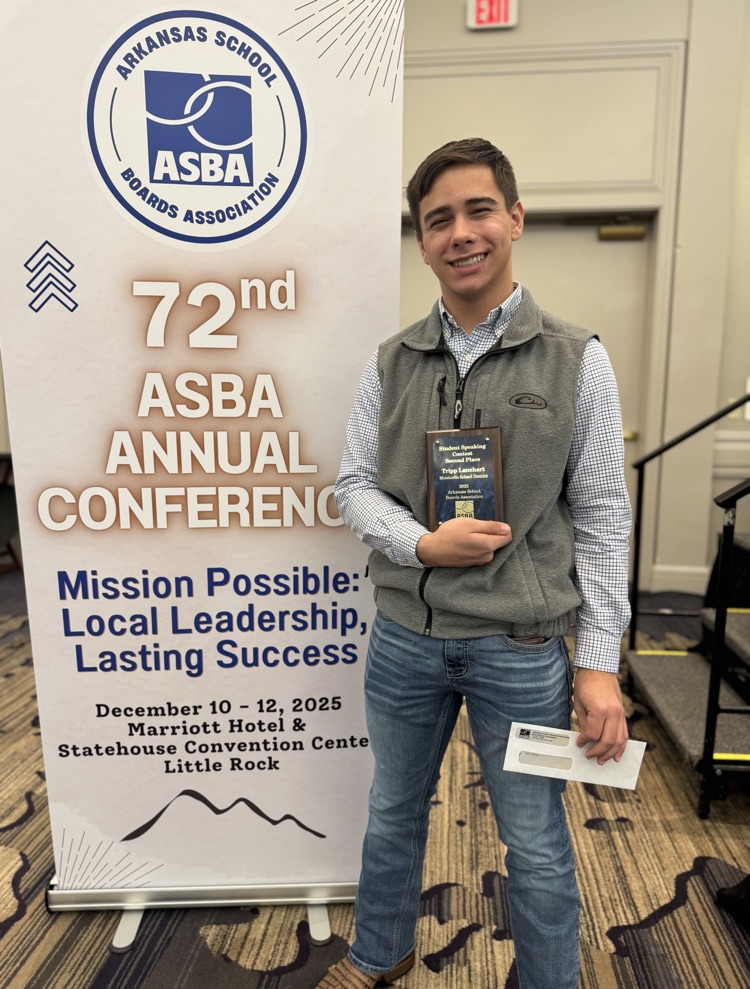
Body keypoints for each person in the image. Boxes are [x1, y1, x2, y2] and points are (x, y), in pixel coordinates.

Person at [318, 138, 631, 989]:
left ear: (515, 218)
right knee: (390, 814)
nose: (462, 232)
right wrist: (420, 543)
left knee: (533, 841)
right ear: (422, 242)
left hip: (522, 651)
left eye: (479, 209)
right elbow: (351, 486)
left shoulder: (577, 358)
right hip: (406, 642)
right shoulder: (390, 363)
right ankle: (379, 955)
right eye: (438, 219)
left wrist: (598, 665)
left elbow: (604, 515)